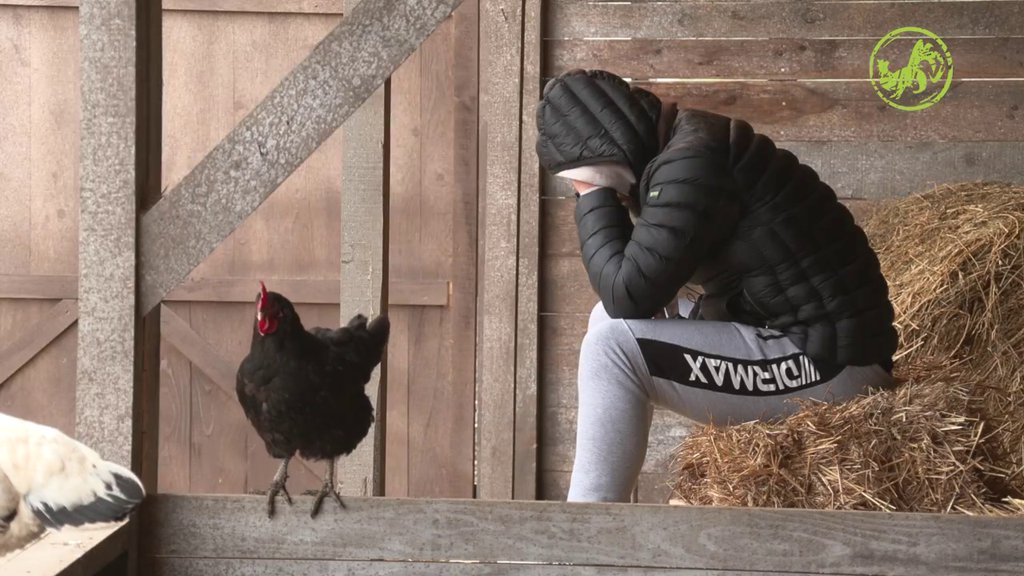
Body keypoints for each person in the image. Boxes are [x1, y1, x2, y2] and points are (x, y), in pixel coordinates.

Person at [535, 69, 899, 503]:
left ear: (601, 157)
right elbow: (637, 287)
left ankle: (583, 540)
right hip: (808, 341)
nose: (580, 187)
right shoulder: (685, 150)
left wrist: (592, 195)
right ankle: (604, 520)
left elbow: (625, 293)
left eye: (578, 174)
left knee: (611, 348)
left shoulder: (690, 164)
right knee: (605, 324)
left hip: (830, 367)